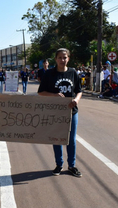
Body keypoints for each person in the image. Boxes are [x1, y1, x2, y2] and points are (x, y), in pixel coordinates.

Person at [37, 48, 82, 177]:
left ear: (68, 58)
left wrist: (76, 100)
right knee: (57, 139)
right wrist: (54, 95)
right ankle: (59, 165)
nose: (62, 60)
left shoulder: (73, 72)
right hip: (55, 113)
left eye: (65, 57)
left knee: (71, 140)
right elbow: (41, 92)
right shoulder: (49, 74)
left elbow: (79, 90)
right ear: (55, 59)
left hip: (71, 112)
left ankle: (72, 166)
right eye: (60, 58)